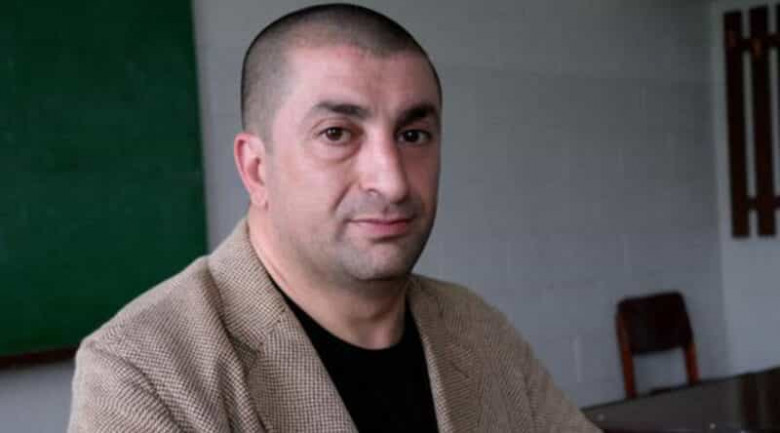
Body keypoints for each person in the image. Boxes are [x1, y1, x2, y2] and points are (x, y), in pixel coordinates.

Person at [68, 4, 600, 432]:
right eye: (337, 134)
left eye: (413, 134)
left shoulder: (477, 328)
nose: (392, 181)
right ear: (256, 169)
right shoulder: (145, 371)